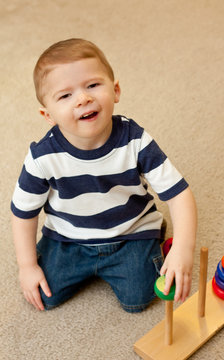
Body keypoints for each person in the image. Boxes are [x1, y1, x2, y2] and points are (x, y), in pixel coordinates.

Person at [11, 38, 197, 312]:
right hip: (68, 238)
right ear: (47, 114)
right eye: (65, 96)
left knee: (139, 299)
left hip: (130, 232)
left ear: (116, 90)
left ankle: (155, 239)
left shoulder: (136, 141)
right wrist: (26, 267)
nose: (83, 98)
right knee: (45, 295)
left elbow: (180, 195)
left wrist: (183, 249)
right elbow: (23, 212)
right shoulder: (42, 158)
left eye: (93, 85)